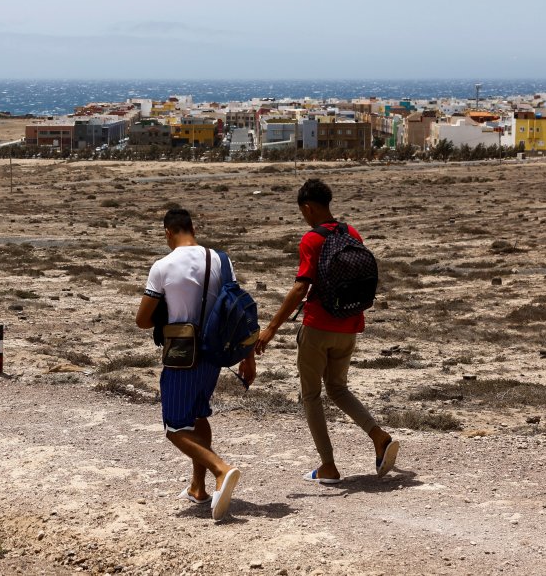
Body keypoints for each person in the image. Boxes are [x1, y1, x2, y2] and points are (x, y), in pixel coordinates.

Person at [255, 178, 399, 484]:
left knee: (311, 395)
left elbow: (299, 288)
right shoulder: (351, 233)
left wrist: (270, 328)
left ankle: (329, 466)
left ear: (308, 208)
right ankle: (378, 435)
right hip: (349, 326)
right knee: (338, 388)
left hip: (318, 326)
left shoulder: (311, 240)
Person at [135, 208, 256, 520]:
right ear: (193, 228)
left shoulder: (162, 266)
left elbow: (142, 320)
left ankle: (221, 469)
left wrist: (166, 311)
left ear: (168, 232)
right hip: (215, 353)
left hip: (182, 356)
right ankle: (197, 488)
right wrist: (248, 356)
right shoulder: (221, 260)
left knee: (175, 429)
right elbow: (238, 309)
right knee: (199, 415)